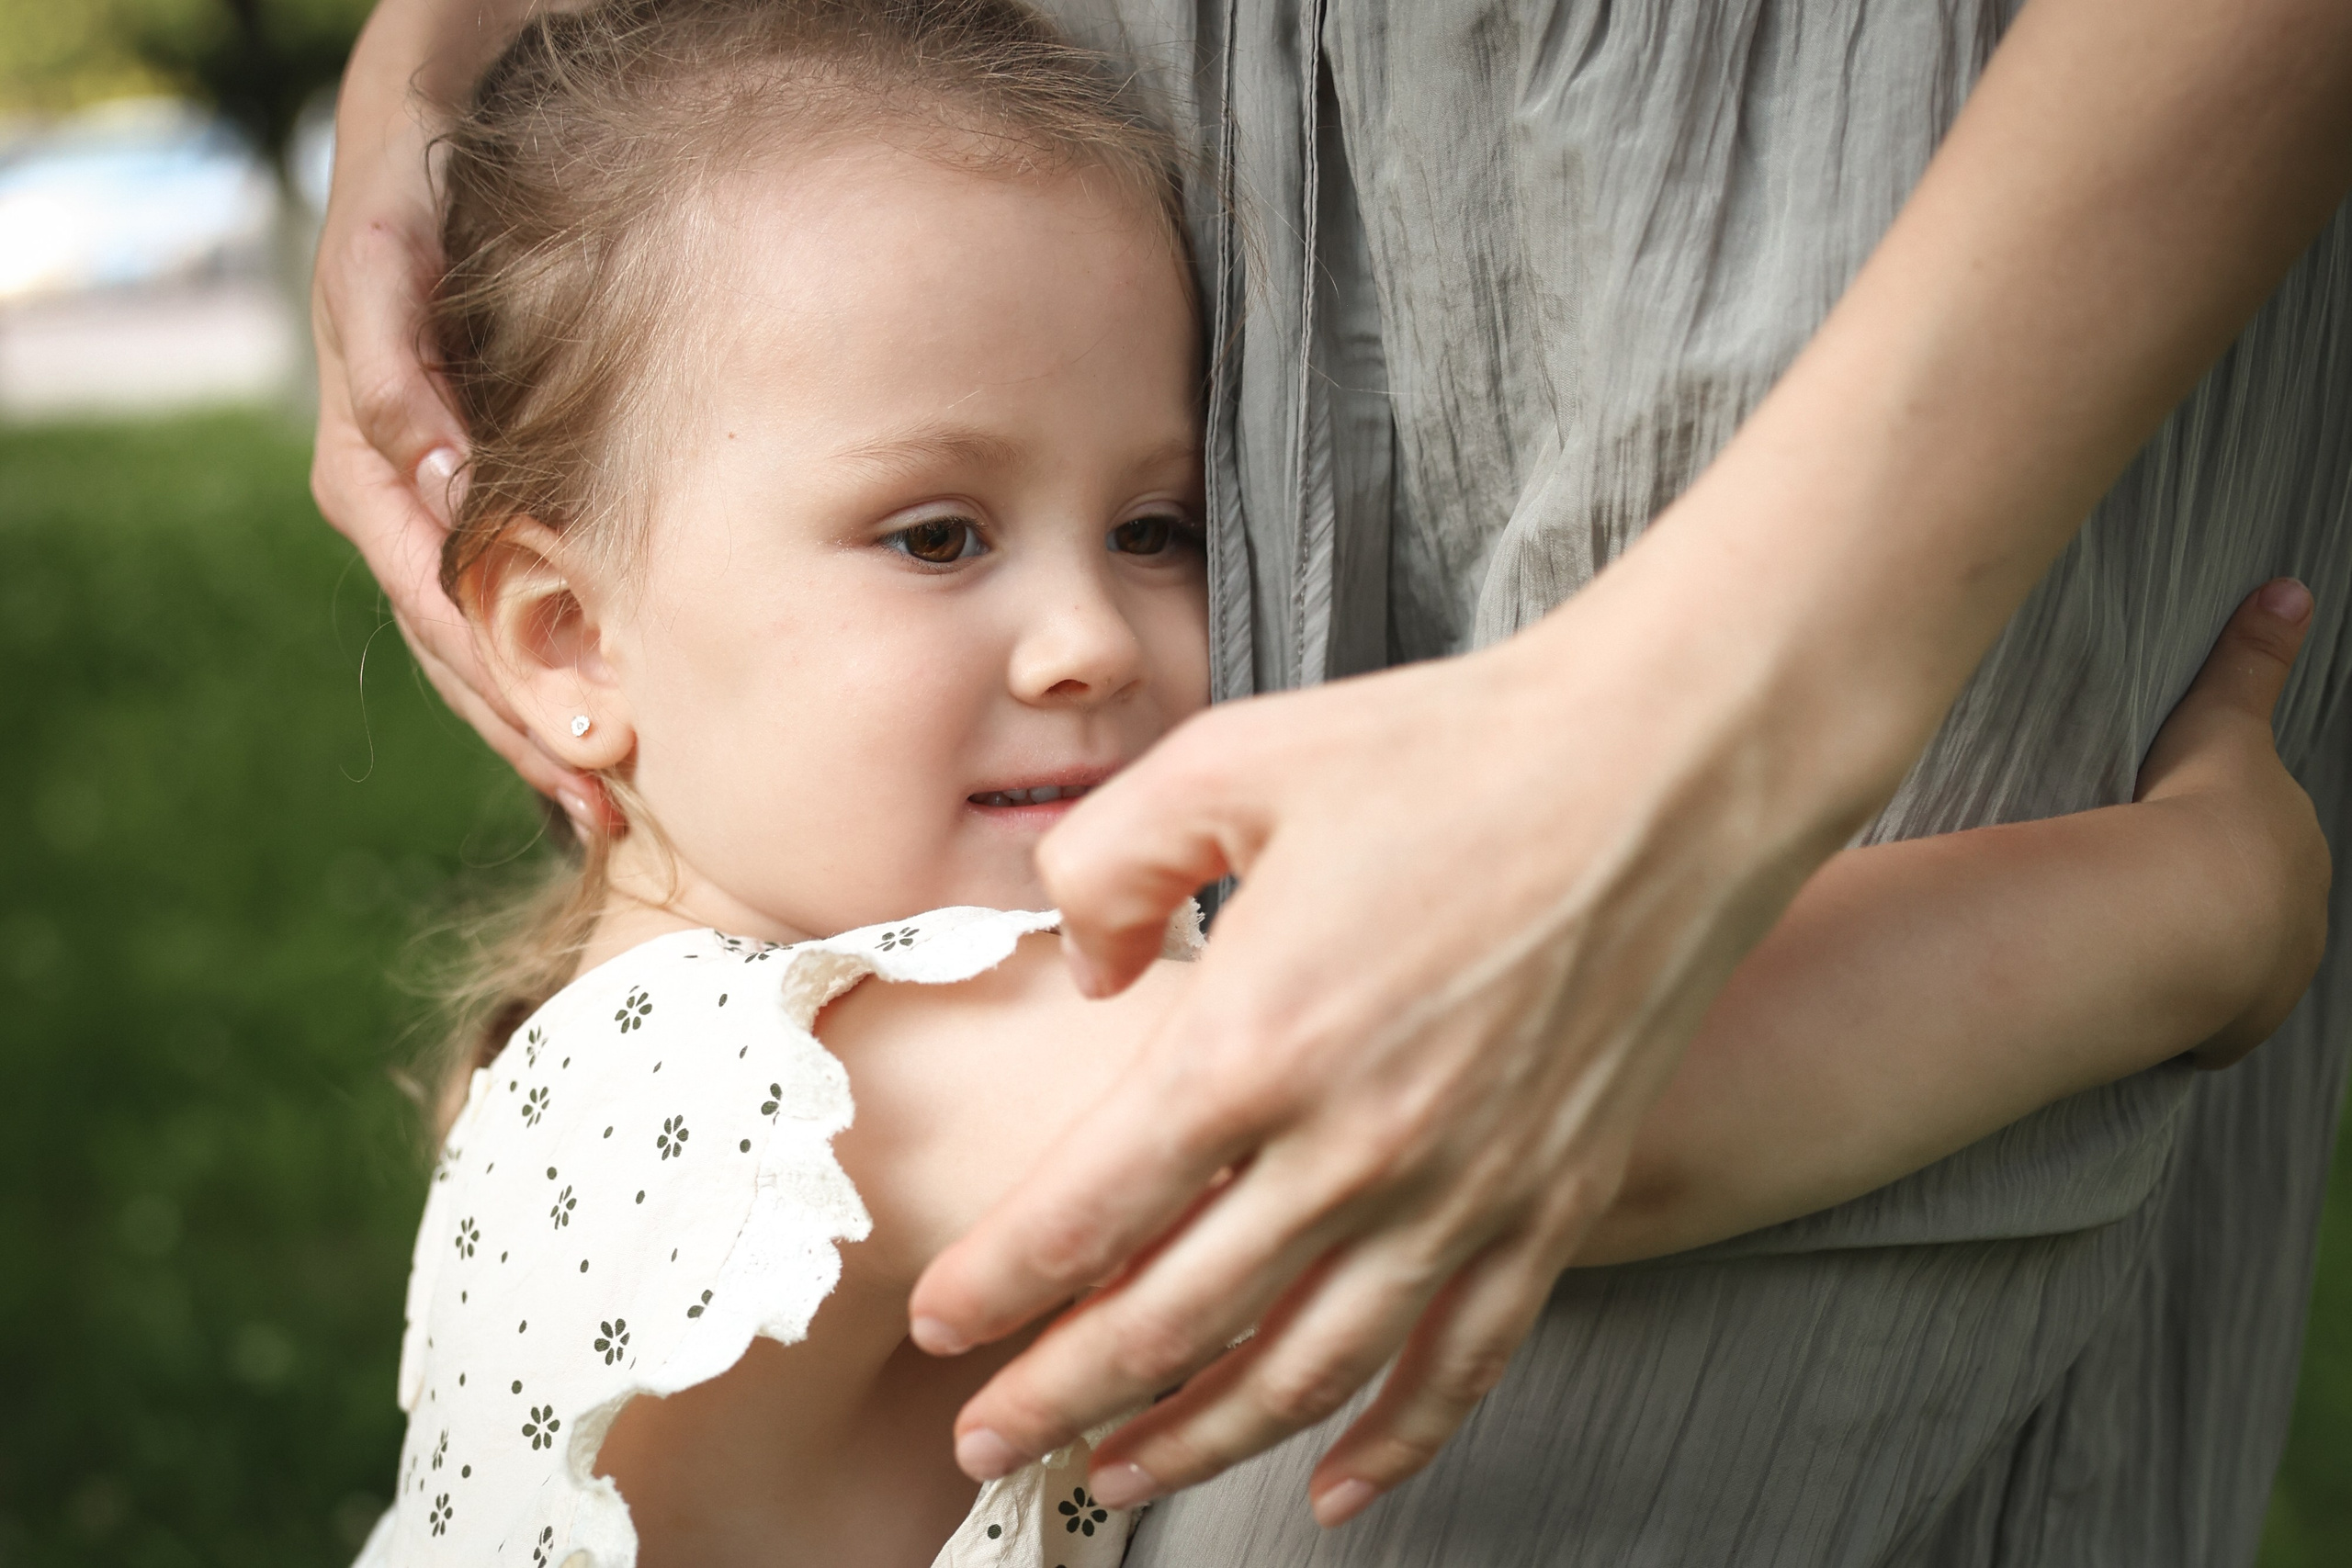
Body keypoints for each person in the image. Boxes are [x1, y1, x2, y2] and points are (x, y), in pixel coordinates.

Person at [316, 0, 2352, 1560]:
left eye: (1156, 528)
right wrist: (2192, 914)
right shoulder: (766, 1078)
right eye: (935, 534)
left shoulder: (604, 1058)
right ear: (566, 641)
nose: (1088, 641)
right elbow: (1574, 1090)